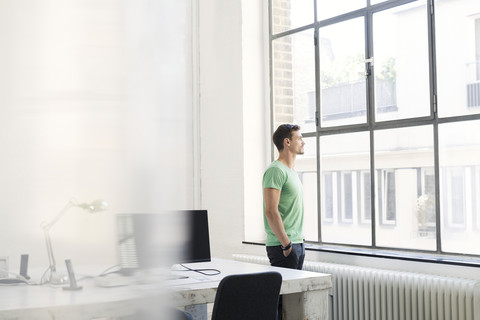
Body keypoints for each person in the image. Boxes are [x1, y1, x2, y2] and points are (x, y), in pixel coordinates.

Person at [263, 124, 305, 271]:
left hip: (297, 243)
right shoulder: (276, 170)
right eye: (299, 138)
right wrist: (286, 245)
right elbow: (270, 211)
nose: (303, 142)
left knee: (295, 294)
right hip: (282, 246)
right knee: (283, 293)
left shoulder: (291, 171)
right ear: (287, 142)